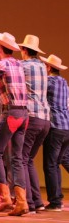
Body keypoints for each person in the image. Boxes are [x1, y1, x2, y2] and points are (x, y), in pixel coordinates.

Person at [0, 32, 29, 216]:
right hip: (24, 114)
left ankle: (5, 199)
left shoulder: (1, 64)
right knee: (17, 158)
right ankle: (22, 202)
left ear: (0, 48)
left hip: (11, 114)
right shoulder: (18, 64)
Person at [18, 35, 50, 213]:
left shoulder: (23, 66)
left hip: (32, 116)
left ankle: (29, 203)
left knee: (21, 159)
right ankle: (37, 202)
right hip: (45, 118)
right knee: (28, 160)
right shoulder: (43, 67)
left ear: (24, 50)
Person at [39, 54, 69, 211]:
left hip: (56, 126)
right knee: (56, 163)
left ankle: (56, 201)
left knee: (50, 164)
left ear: (49, 67)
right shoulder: (64, 82)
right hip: (66, 127)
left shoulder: (48, 82)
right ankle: (58, 199)